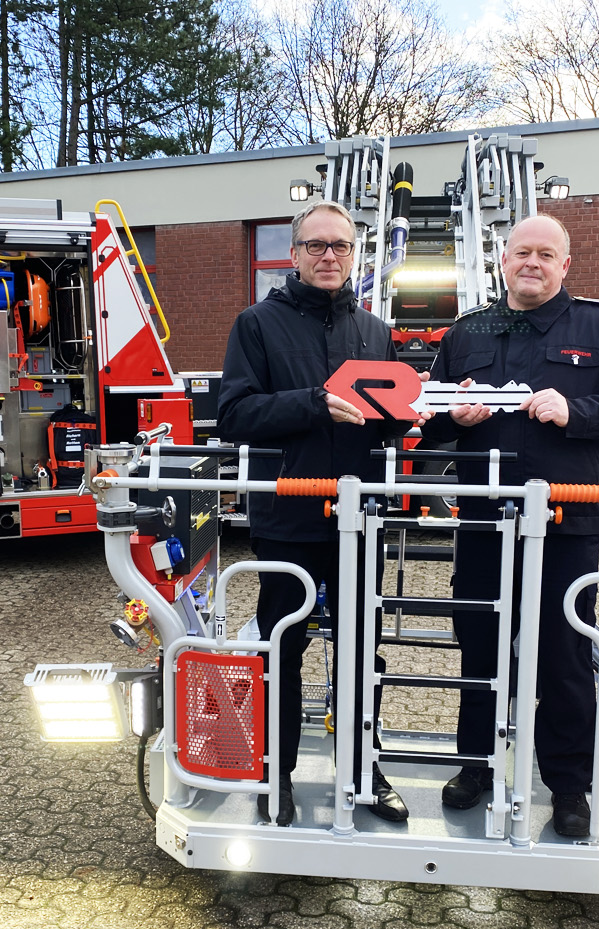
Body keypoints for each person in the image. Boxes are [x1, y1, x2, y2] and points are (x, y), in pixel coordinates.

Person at [418, 213, 599, 837]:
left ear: (564, 264)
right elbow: (429, 416)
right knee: (479, 645)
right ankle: (475, 764)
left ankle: (567, 786)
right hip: (483, 522)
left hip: (564, 522)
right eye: (521, 252)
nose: (532, 263)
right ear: (504, 260)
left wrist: (576, 410)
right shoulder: (467, 332)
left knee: (560, 653)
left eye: (545, 254)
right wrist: (457, 417)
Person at [218, 200, 409, 827]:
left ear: (355, 255)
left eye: (342, 246)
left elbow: (384, 426)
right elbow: (235, 415)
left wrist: (413, 419)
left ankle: (364, 768)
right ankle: (279, 775)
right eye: (317, 245)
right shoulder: (257, 324)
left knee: (362, 649)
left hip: (361, 518)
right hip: (289, 517)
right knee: (284, 646)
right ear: (294, 255)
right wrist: (312, 404)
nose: (330, 256)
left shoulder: (375, 331)